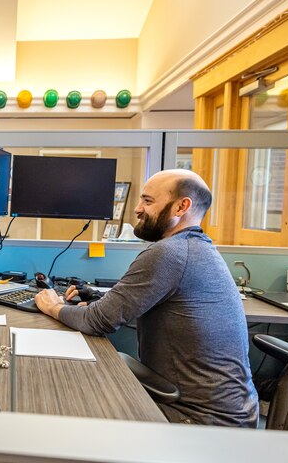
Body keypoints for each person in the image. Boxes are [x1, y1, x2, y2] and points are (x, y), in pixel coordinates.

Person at [34, 169, 258, 427]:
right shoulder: (196, 248)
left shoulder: (169, 254)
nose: (137, 209)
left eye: (148, 201)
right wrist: (97, 298)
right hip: (231, 413)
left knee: (65, 402)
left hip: (199, 419)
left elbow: (97, 322)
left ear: (181, 206)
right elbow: (138, 303)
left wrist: (53, 306)